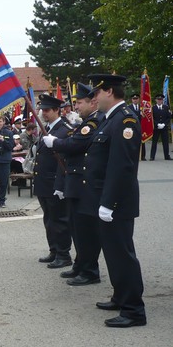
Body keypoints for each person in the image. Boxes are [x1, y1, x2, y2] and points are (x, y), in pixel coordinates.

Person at [79, 73, 146, 328]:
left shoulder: (125, 120)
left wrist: (109, 203)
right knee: (113, 253)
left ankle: (134, 310)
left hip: (116, 203)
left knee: (122, 255)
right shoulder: (111, 120)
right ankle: (120, 296)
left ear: (109, 92)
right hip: (105, 200)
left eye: (96, 93)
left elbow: (121, 167)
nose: (93, 98)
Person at [43, 83, 104, 286]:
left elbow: (75, 144)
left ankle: (89, 270)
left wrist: (55, 143)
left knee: (85, 231)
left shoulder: (93, 122)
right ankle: (80, 264)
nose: (76, 107)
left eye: (79, 102)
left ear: (91, 102)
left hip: (83, 183)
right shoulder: (87, 121)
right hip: (75, 182)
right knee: (76, 228)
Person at [33, 94, 73, 269]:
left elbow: (63, 160)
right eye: (42, 110)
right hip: (44, 183)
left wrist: (61, 185)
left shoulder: (64, 130)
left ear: (57, 110)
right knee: (49, 219)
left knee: (59, 220)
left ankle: (64, 254)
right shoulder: (48, 129)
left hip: (54, 184)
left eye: (47, 110)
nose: (44, 113)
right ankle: (54, 250)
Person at [149, 94, 172, 160]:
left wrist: (164, 124)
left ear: (162, 100)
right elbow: (152, 118)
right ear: (156, 100)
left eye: (161, 100)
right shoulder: (153, 108)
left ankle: (167, 156)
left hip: (164, 128)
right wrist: (157, 124)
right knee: (154, 142)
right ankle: (152, 157)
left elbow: (168, 117)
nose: (159, 101)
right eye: (158, 100)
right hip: (156, 128)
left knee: (165, 142)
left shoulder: (166, 107)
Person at [129, 94, 146, 160]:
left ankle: (142, 156)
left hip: (140, 127)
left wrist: (143, 114)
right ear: (132, 100)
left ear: (138, 99)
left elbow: (145, 118)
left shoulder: (142, 108)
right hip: (132, 127)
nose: (135, 100)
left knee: (142, 141)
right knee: (132, 141)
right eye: (134, 99)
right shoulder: (129, 107)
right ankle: (133, 155)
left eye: (136, 99)